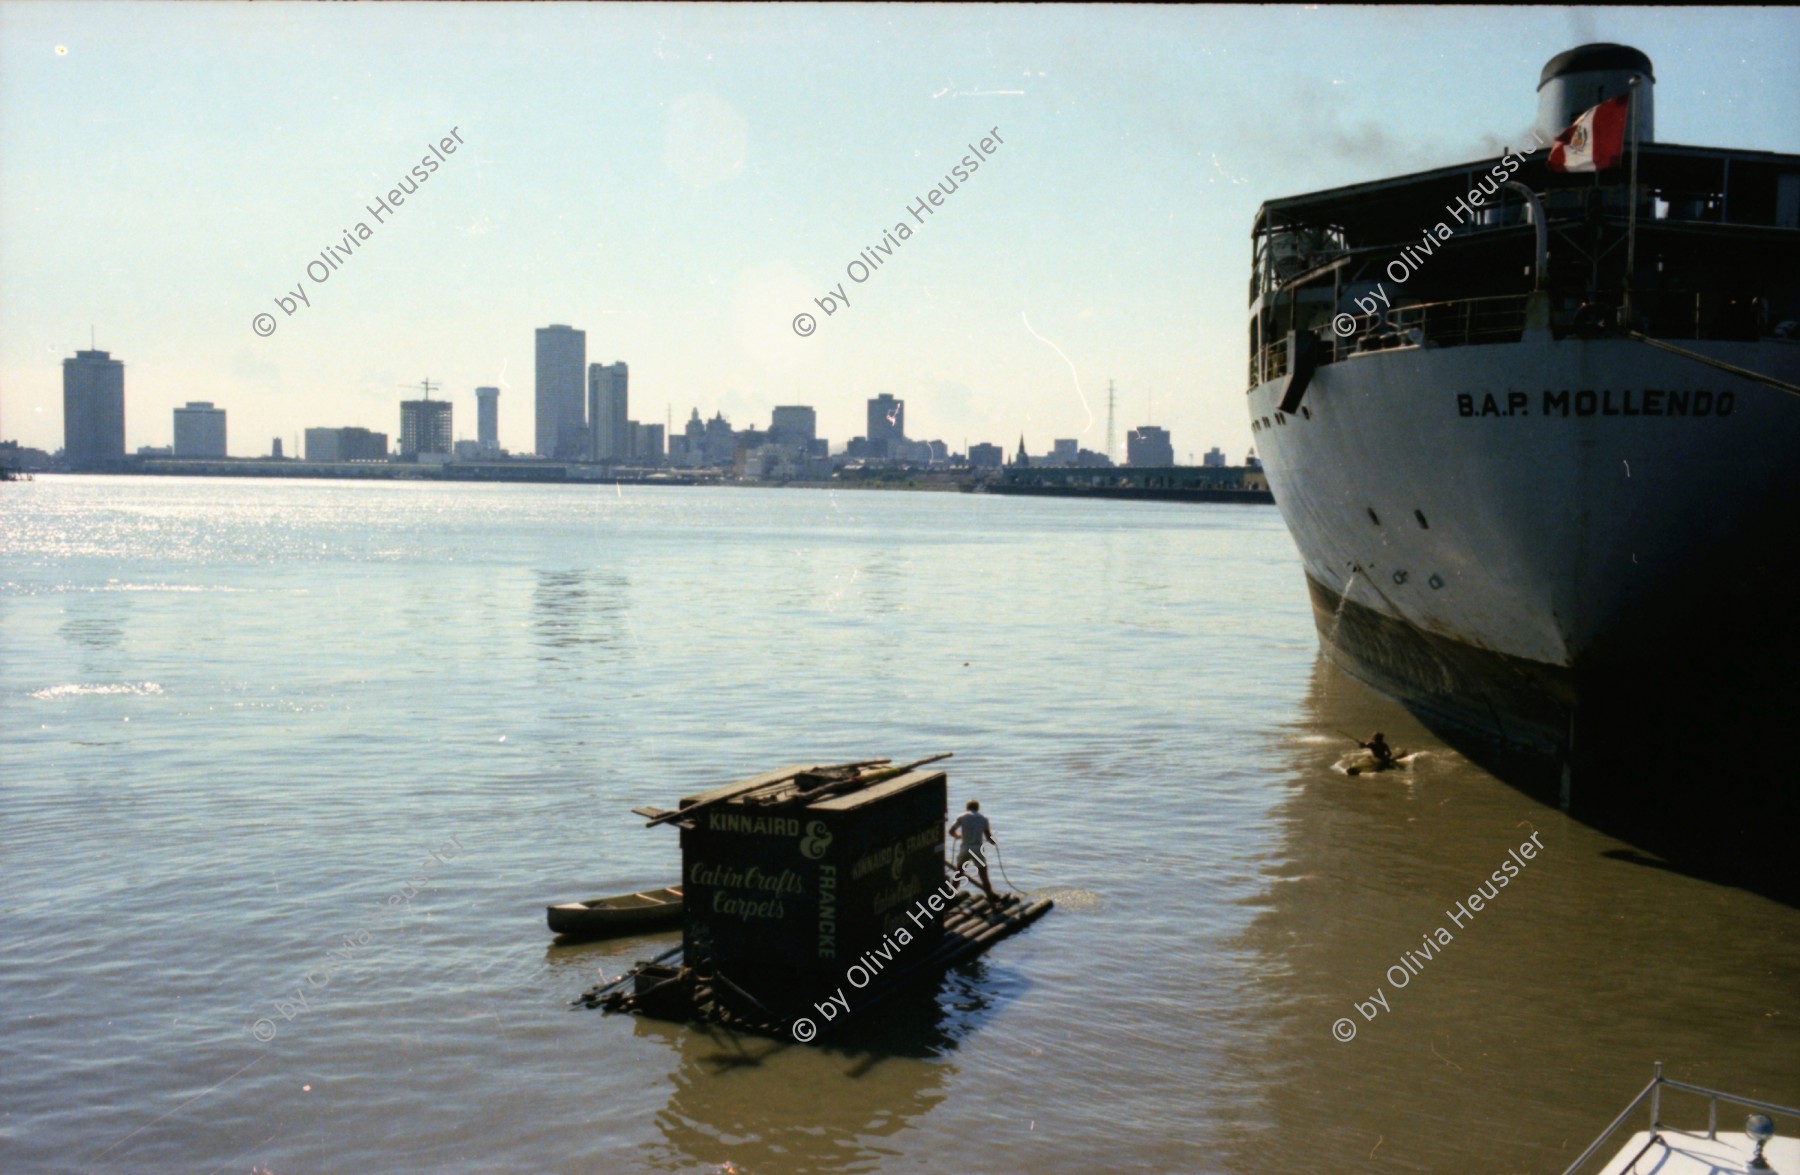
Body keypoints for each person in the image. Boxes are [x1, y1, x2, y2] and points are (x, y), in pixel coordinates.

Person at [948, 800, 1002, 903]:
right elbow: (988, 836)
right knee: (984, 877)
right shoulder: (983, 819)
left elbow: (951, 831)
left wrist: (958, 836)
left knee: (959, 872)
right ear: (977, 808)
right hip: (977, 849)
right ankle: (991, 902)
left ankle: (950, 896)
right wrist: (994, 843)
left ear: (967, 808)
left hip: (965, 847)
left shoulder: (962, 816)